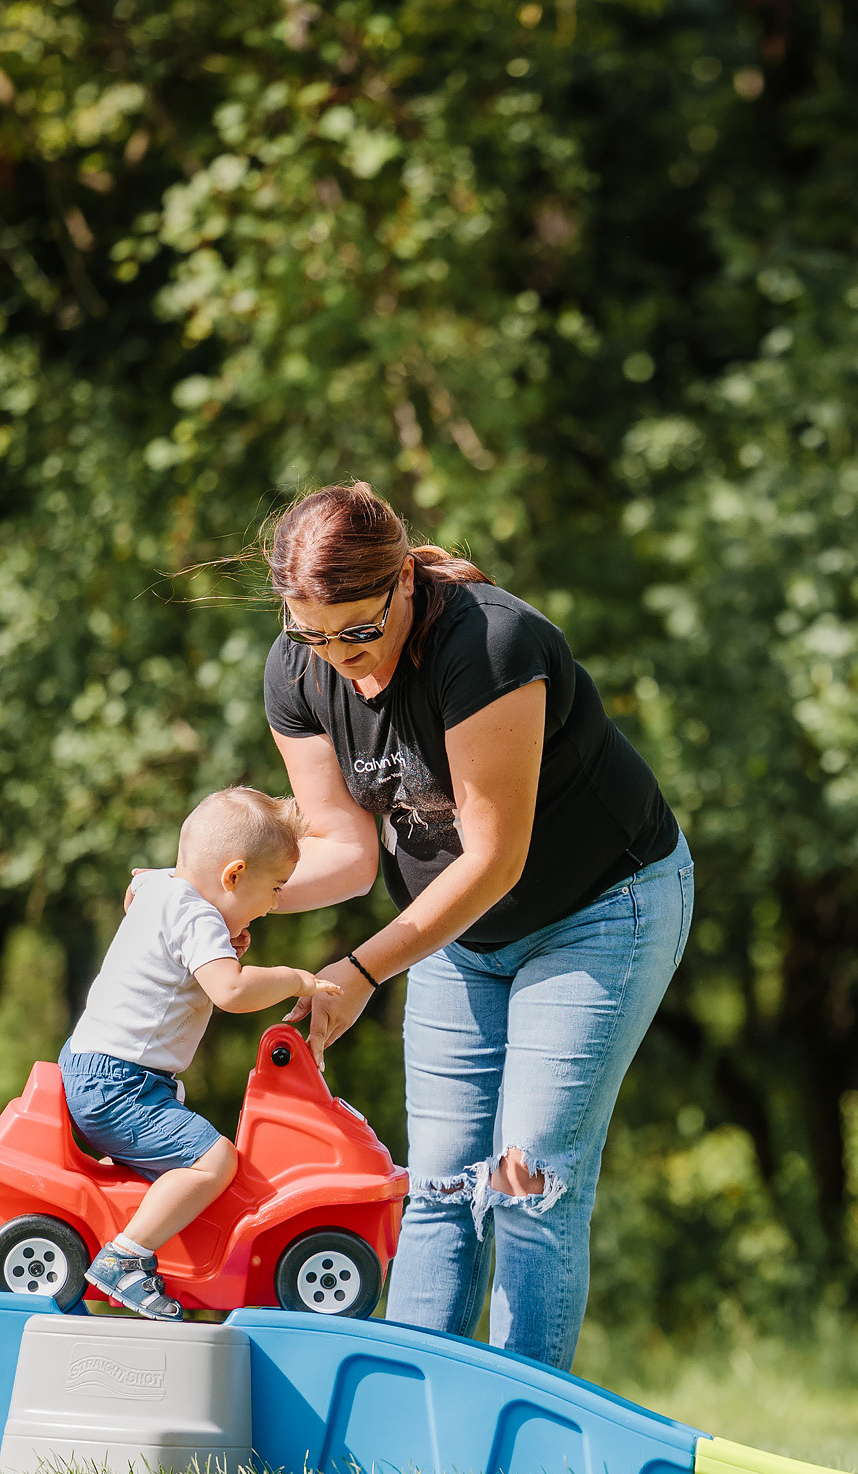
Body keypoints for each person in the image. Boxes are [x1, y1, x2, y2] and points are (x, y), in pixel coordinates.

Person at [255, 481, 691, 1371]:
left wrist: (361, 970)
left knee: (527, 1181)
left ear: (403, 583)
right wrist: (223, 903)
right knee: (442, 1187)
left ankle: (520, 1425)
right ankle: (416, 1418)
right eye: (314, 634)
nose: (342, 659)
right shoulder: (297, 670)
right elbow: (347, 852)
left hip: (599, 912)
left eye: (359, 631)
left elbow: (493, 861)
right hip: (458, 936)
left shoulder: (490, 644)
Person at [61, 787, 340, 1320]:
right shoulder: (197, 919)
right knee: (215, 1161)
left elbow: (136, 889)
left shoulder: (163, 887)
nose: (274, 904)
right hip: (121, 1086)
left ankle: (138, 1235)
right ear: (233, 876)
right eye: (274, 889)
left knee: (188, 1156)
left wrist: (220, 937)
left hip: (93, 1066)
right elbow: (230, 991)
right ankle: (124, 1259)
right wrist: (293, 978)